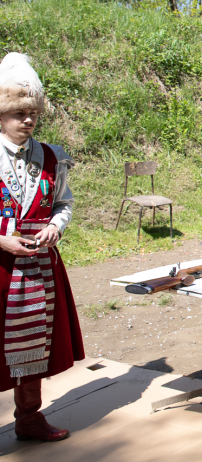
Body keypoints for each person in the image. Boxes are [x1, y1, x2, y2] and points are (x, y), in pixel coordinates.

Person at [0, 52, 84, 442]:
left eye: (32, 113)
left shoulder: (51, 155)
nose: (28, 121)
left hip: (39, 267)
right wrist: (2, 240)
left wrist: (55, 225)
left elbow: (64, 202)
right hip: (0, 265)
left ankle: (29, 419)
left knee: (36, 341)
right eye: (19, 114)